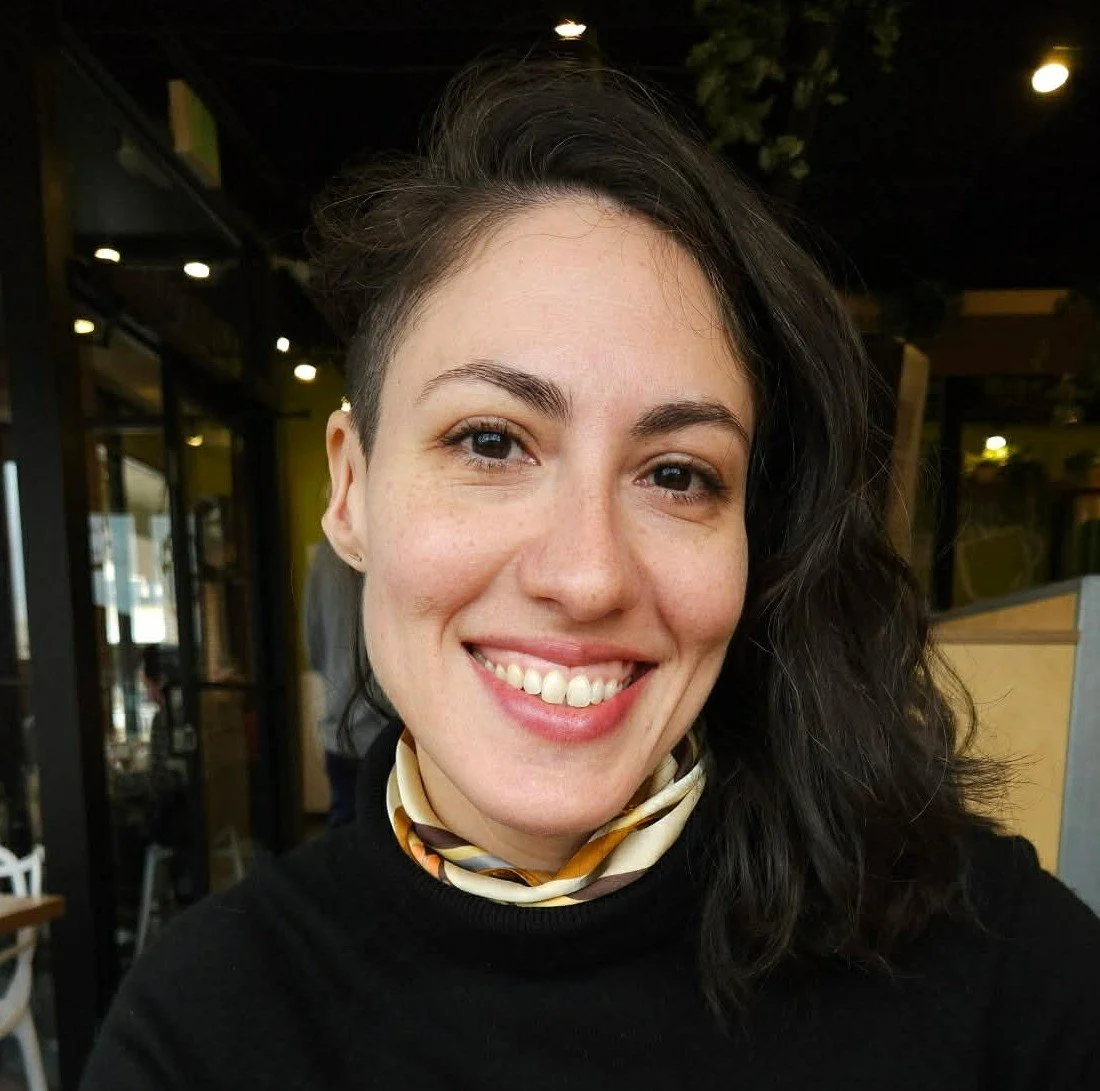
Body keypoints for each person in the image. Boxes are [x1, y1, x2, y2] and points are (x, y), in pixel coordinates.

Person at [81, 63, 1100, 1090]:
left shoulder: (994, 963)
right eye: (490, 439)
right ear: (350, 487)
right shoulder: (206, 1023)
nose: (585, 573)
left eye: (676, 474)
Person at [304, 537, 390, 825]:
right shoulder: (394, 541)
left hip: (339, 726)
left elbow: (312, 645)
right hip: (395, 732)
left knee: (344, 829)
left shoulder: (326, 557)